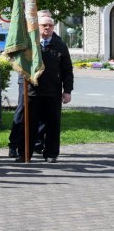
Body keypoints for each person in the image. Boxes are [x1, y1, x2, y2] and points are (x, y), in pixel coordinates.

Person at [22, 13, 73, 163]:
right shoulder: (30, 43)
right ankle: (25, 153)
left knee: (52, 124)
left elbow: (67, 70)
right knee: (29, 124)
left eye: (50, 25)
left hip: (53, 92)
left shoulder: (60, 45)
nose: (48, 28)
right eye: (44, 25)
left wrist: (67, 91)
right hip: (33, 91)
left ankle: (51, 153)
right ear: (38, 27)